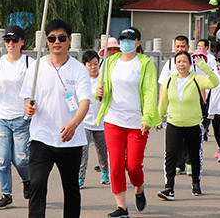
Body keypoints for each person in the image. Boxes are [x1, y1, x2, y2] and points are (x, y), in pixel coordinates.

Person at [21, 19, 92, 218]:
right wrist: (28, 106)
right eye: (52, 38)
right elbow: (27, 96)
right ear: (47, 41)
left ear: (69, 40)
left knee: (71, 188)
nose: (57, 42)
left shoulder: (78, 69)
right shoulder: (36, 67)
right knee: (37, 184)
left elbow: (85, 102)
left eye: (61, 38)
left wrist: (73, 124)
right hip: (41, 137)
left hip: (70, 139)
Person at [95, 27, 161, 218]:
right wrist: (99, 93)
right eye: (122, 39)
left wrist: (147, 118)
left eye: (129, 40)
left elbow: (150, 92)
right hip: (113, 119)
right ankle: (121, 207)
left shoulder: (145, 63)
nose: (125, 43)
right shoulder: (110, 61)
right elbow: (102, 87)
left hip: (136, 122)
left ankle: (139, 188)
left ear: (137, 42)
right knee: (115, 164)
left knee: (133, 166)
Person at [0, 25, 34, 210]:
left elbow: (35, 90)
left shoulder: (29, 63)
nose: (10, 44)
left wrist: (31, 107)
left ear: (22, 42)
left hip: (21, 118)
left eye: (14, 40)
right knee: (3, 160)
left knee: (21, 159)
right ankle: (6, 195)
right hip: (2, 117)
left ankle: (27, 180)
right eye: (7, 40)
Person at [157, 50, 219, 200]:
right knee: (170, 155)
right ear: (175, 64)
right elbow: (163, 101)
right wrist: (159, 118)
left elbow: (214, 82)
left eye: (184, 61)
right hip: (174, 123)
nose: (181, 64)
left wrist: (204, 67)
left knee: (194, 155)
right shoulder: (169, 81)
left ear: (190, 64)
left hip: (193, 124)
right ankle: (169, 188)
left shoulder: (197, 79)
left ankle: (196, 182)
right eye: (178, 61)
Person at [78, 50, 109, 189]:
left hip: (101, 122)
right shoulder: (82, 80)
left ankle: (105, 172)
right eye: (90, 64)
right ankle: (80, 178)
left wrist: (103, 92)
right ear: (84, 65)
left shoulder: (104, 80)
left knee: (102, 150)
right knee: (83, 152)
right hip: (84, 122)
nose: (93, 67)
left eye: (96, 64)